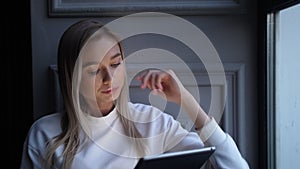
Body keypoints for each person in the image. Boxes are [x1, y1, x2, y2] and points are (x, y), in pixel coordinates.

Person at [20, 19, 249, 169]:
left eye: (116, 64)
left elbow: (235, 167)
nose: (110, 79)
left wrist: (186, 101)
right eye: (94, 70)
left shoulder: (151, 122)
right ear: (73, 77)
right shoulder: (44, 135)